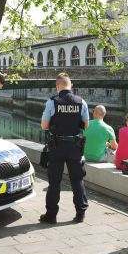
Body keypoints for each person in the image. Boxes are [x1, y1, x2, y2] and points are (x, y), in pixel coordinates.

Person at [39, 73, 89, 224]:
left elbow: (44, 126)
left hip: (57, 146)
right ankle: (80, 213)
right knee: (77, 180)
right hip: (75, 146)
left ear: (57, 86)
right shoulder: (81, 102)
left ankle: (51, 215)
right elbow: (86, 125)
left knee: (54, 181)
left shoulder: (52, 102)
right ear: (70, 86)